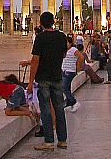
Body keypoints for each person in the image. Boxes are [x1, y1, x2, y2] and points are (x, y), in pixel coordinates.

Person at [27, 12, 69, 151]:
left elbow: (35, 60)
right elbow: (63, 54)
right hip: (57, 76)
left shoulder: (40, 38)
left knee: (45, 110)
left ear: (41, 23)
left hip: (43, 78)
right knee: (59, 109)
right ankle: (62, 140)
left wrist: (30, 81)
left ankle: (49, 141)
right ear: (53, 22)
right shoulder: (61, 36)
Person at [61, 37, 85, 112]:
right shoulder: (64, 50)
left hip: (70, 71)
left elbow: (81, 57)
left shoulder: (73, 50)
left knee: (63, 87)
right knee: (67, 88)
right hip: (64, 70)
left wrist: (78, 67)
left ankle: (74, 102)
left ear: (70, 43)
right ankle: (69, 103)